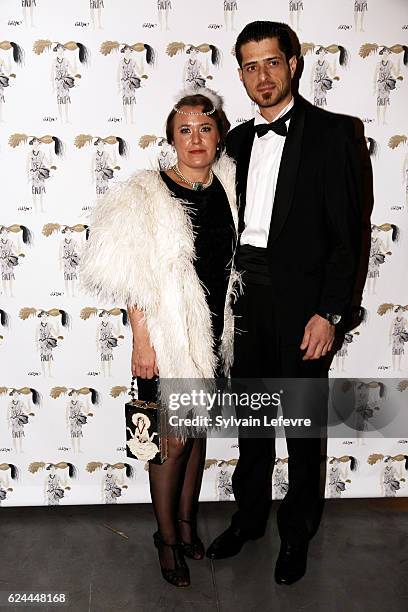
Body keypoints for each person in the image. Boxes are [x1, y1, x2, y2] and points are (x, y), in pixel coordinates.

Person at [206, 21, 363, 585]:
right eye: (249, 66)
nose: (261, 76)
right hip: (245, 300)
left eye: (271, 62)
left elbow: (349, 238)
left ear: (293, 63)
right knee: (252, 425)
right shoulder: (238, 142)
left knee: (299, 427)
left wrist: (332, 313)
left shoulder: (333, 134)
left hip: (304, 309)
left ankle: (296, 533)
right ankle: (248, 519)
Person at [80, 88, 239, 587]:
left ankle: (188, 522)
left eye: (205, 129)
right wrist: (142, 341)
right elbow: (131, 276)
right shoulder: (146, 193)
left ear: (219, 136)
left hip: (215, 329)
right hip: (166, 334)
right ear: (171, 138)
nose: (196, 139)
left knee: (196, 434)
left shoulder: (232, 185)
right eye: (185, 130)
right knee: (168, 441)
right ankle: (167, 539)